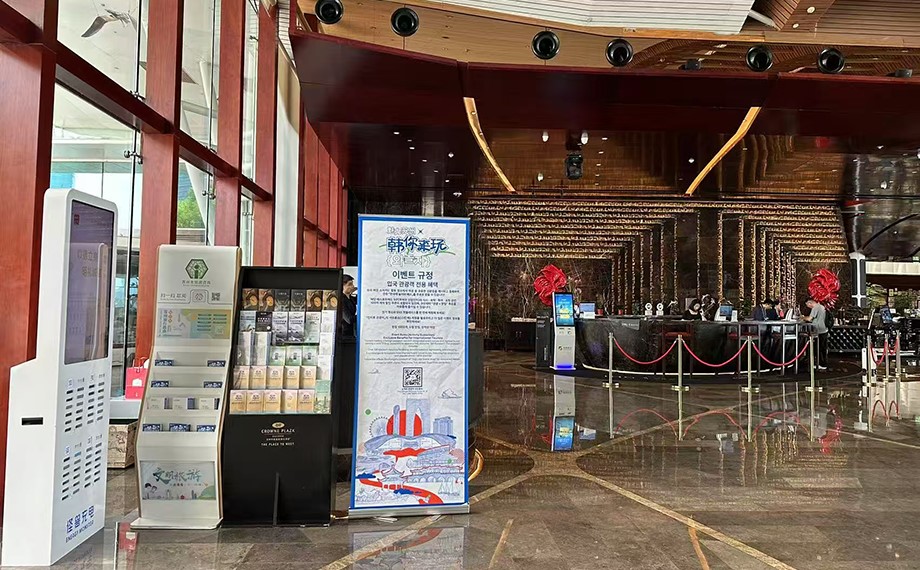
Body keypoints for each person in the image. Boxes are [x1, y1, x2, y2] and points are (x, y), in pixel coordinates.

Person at [802, 298, 829, 370]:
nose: (808, 307)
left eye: (807, 305)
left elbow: (809, 318)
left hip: (818, 330)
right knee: (822, 348)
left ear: (809, 302)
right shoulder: (821, 306)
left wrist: (802, 317)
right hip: (824, 329)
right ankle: (823, 364)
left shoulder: (815, 308)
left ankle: (820, 364)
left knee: (818, 348)